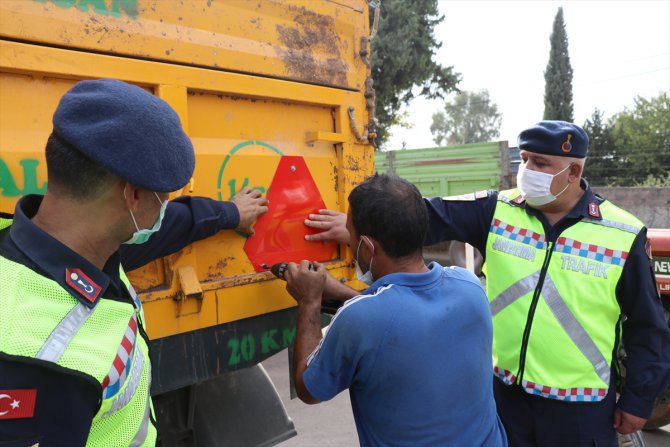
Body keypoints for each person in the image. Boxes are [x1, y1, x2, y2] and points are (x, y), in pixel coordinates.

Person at [303, 121, 670, 446]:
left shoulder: (621, 234)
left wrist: (638, 400)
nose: (528, 171)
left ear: (574, 171)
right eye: (524, 159)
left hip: (579, 408)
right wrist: (359, 229)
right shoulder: (499, 209)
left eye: (540, 164)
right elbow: (421, 217)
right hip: (504, 396)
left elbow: (648, 325)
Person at [0, 79, 268, 446]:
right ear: (134, 195)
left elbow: (168, 227)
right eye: (164, 197)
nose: (164, 208)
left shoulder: (72, 245)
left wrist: (228, 213)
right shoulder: (42, 360)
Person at [283, 174, 507, 447]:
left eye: (351, 236)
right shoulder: (469, 286)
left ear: (367, 248)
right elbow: (401, 316)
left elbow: (309, 388)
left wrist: (309, 301)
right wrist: (342, 293)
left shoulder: (360, 319)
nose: (350, 244)